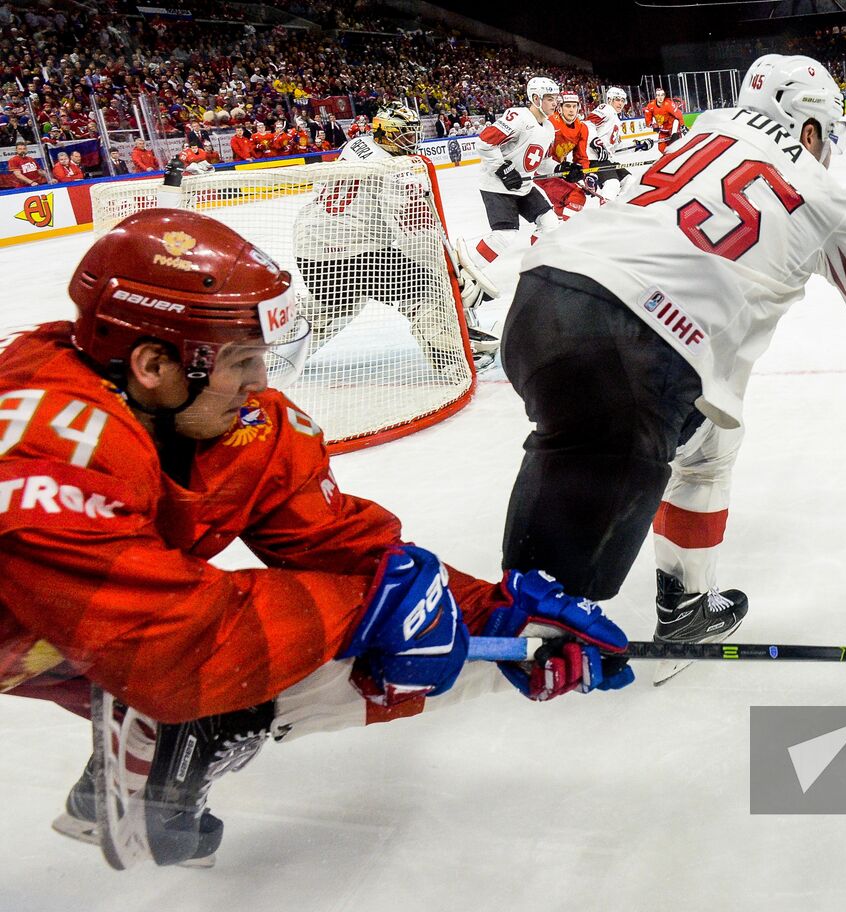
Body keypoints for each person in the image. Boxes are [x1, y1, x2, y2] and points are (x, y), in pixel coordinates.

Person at [0, 208, 633, 868]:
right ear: (154, 363)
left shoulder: (230, 422)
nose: (261, 385)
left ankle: (172, 739)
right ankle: (183, 732)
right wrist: (374, 612)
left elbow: (344, 546)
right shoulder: (43, 448)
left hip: (69, 626)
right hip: (59, 629)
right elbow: (170, 647)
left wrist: (495, 616)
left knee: (376, 624)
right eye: (243, 361)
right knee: (290, 642)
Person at [498, 54, 846, 684]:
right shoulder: (829, 195)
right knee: (551, 603)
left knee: (699, 439)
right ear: (809, 127)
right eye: (827, 133)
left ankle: (670, 602)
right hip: (640, 341)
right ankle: (527, 633)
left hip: (539, 301)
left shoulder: (699, 132)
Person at [292, 101, 485, 376]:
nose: (411, 141)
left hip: (309, 247)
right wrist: (449, 270)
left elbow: (321, 186)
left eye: (412, 133)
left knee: (336, 306)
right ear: (384, 134)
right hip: (351, 252)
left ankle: (273, 352)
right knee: (425, 287)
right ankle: (452, 360)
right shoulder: (395, 170)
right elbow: (415, 235)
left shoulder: (357, 144)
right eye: (403, 134)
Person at [465, 76, 581, 270]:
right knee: (504, 234)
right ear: (536, 99)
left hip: (523, 187)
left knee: (549, 222)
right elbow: (485, 142)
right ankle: (467, 273)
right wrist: (502, 168)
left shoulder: (550, 128)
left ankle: (541, 265)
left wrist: (562, 170)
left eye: (556, 98)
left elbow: (542, 162)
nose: (556, 103)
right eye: (550, 99)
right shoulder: (518, 117)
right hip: (497, 186)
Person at [537, 91, 592, 222]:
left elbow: (581, 157)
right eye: (567, 106)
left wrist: (586, 175)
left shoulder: (582, 127)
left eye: (574, 106)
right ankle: (568, 233)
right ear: (559, 107)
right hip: (542, 171)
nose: (571, 110)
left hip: (560, 171)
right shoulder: (549, 123)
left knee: (561, 205)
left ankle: (553, 232)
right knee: (576, 196)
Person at [585, 86, 645, 201]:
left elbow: (617, 146)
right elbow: (587, 124)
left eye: (623, 100)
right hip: (594, 158)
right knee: (612, 183)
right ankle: (606, 214)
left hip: (606, 159)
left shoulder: (616, 119)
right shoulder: (606, 109)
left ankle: (617, 207)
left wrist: (638, 145)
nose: (620, 103)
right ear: (609, 100)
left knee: (629, 181)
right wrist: (595, 141)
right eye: (617, 99)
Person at [644, 87, 684, 154]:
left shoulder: (668, 104)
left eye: (662, 95)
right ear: (656, 96)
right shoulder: (650, 106)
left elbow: (678, 114)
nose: (660, 97)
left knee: (675, 146)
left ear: (664, 95)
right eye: (658, 95)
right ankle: (669, 159)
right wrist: (652, 125)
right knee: (661, 148)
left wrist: (682, 126)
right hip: (663, 130)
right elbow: (648, 119)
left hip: (673, 128)